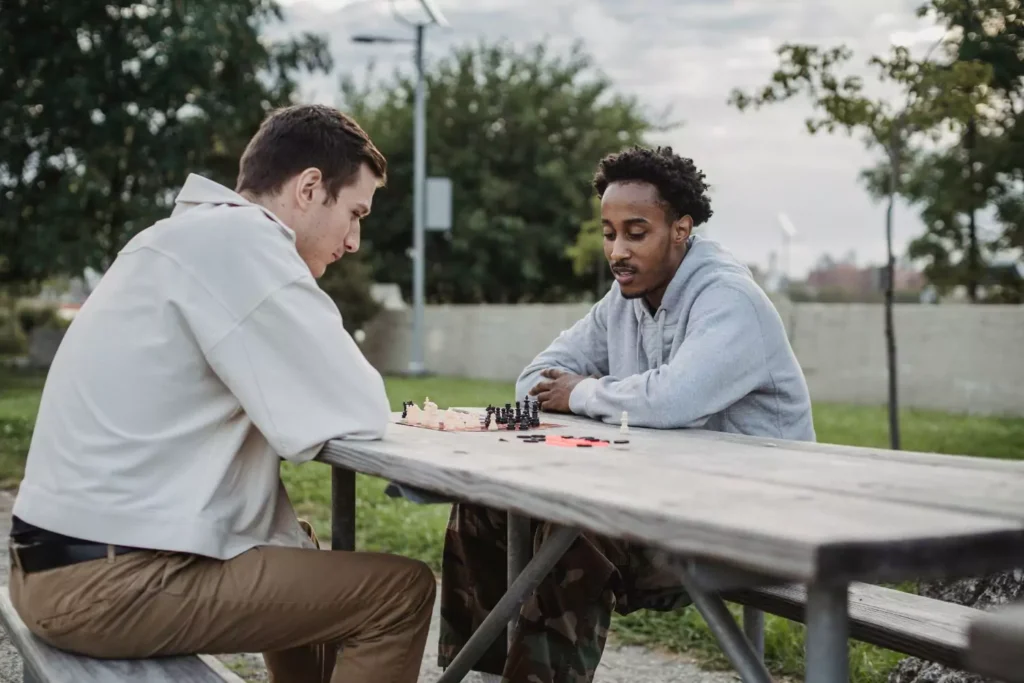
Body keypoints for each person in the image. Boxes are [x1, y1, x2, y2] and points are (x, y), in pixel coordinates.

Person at [9, 104, 435, 683]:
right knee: (398, 593)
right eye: (355, 213)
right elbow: (358, 406)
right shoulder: (246, 243)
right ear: (310, 188)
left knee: (297, 546)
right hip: (106, 585)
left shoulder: (176, 238)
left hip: (53, 566)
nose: (355, 241)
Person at [438, 145, 815, 683]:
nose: (617, 250)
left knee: (578, 531)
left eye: (636, 233)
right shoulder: (625, 298)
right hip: (669, 507)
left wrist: (586, 392)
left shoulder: (729, 300)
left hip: (752, 527)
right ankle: (485, 673)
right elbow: (536, 380)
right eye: (609, 232)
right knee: (484, 505)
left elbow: (672, 401)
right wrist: (589, 392)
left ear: (681, 229)